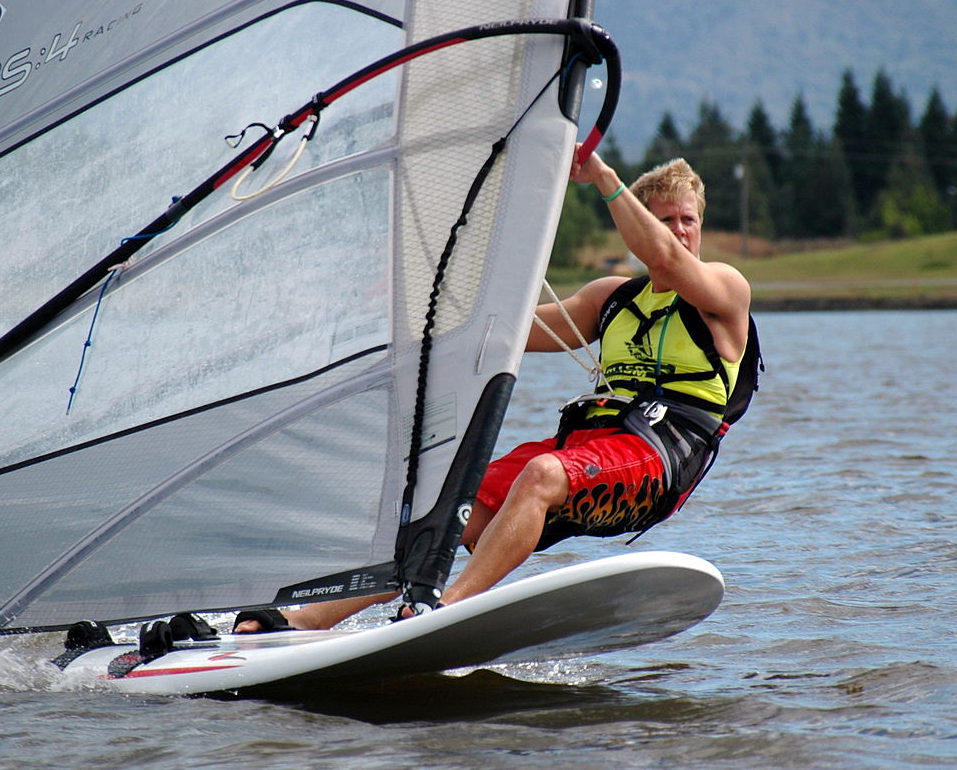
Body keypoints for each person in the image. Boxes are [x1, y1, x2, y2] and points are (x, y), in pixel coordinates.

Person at [234, 147, 752, 633]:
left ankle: (442, 611)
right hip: (590, 449)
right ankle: (304, 620)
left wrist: (602, 177)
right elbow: (507, 332)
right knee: (450, 500)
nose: (679, 231)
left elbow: (666, 261)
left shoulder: (724, 290)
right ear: (638, 225)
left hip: (657, 462)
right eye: (664, 220)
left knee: (542, 474)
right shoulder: (612, 298)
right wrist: (415, 305)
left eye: (688, 219)